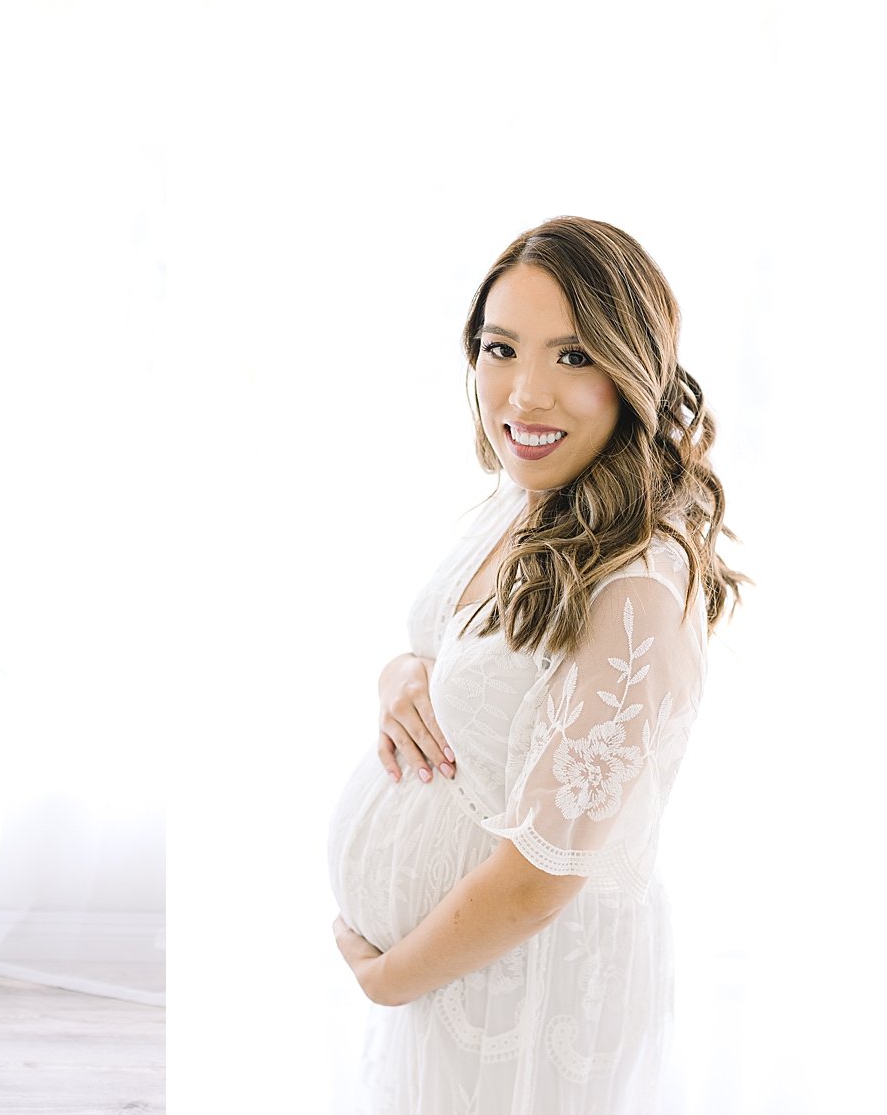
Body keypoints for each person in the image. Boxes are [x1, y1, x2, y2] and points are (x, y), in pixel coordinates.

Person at [328, 216, 744, 1113]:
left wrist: (390, 977)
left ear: (633, 371)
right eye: (500, 348)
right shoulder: (526, 500)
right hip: (466, 976)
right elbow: (456, 645)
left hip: (527, 992)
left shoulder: (636, 586)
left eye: (572, 356)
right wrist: (402, 675)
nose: (524, 393)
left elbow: (542, 875)